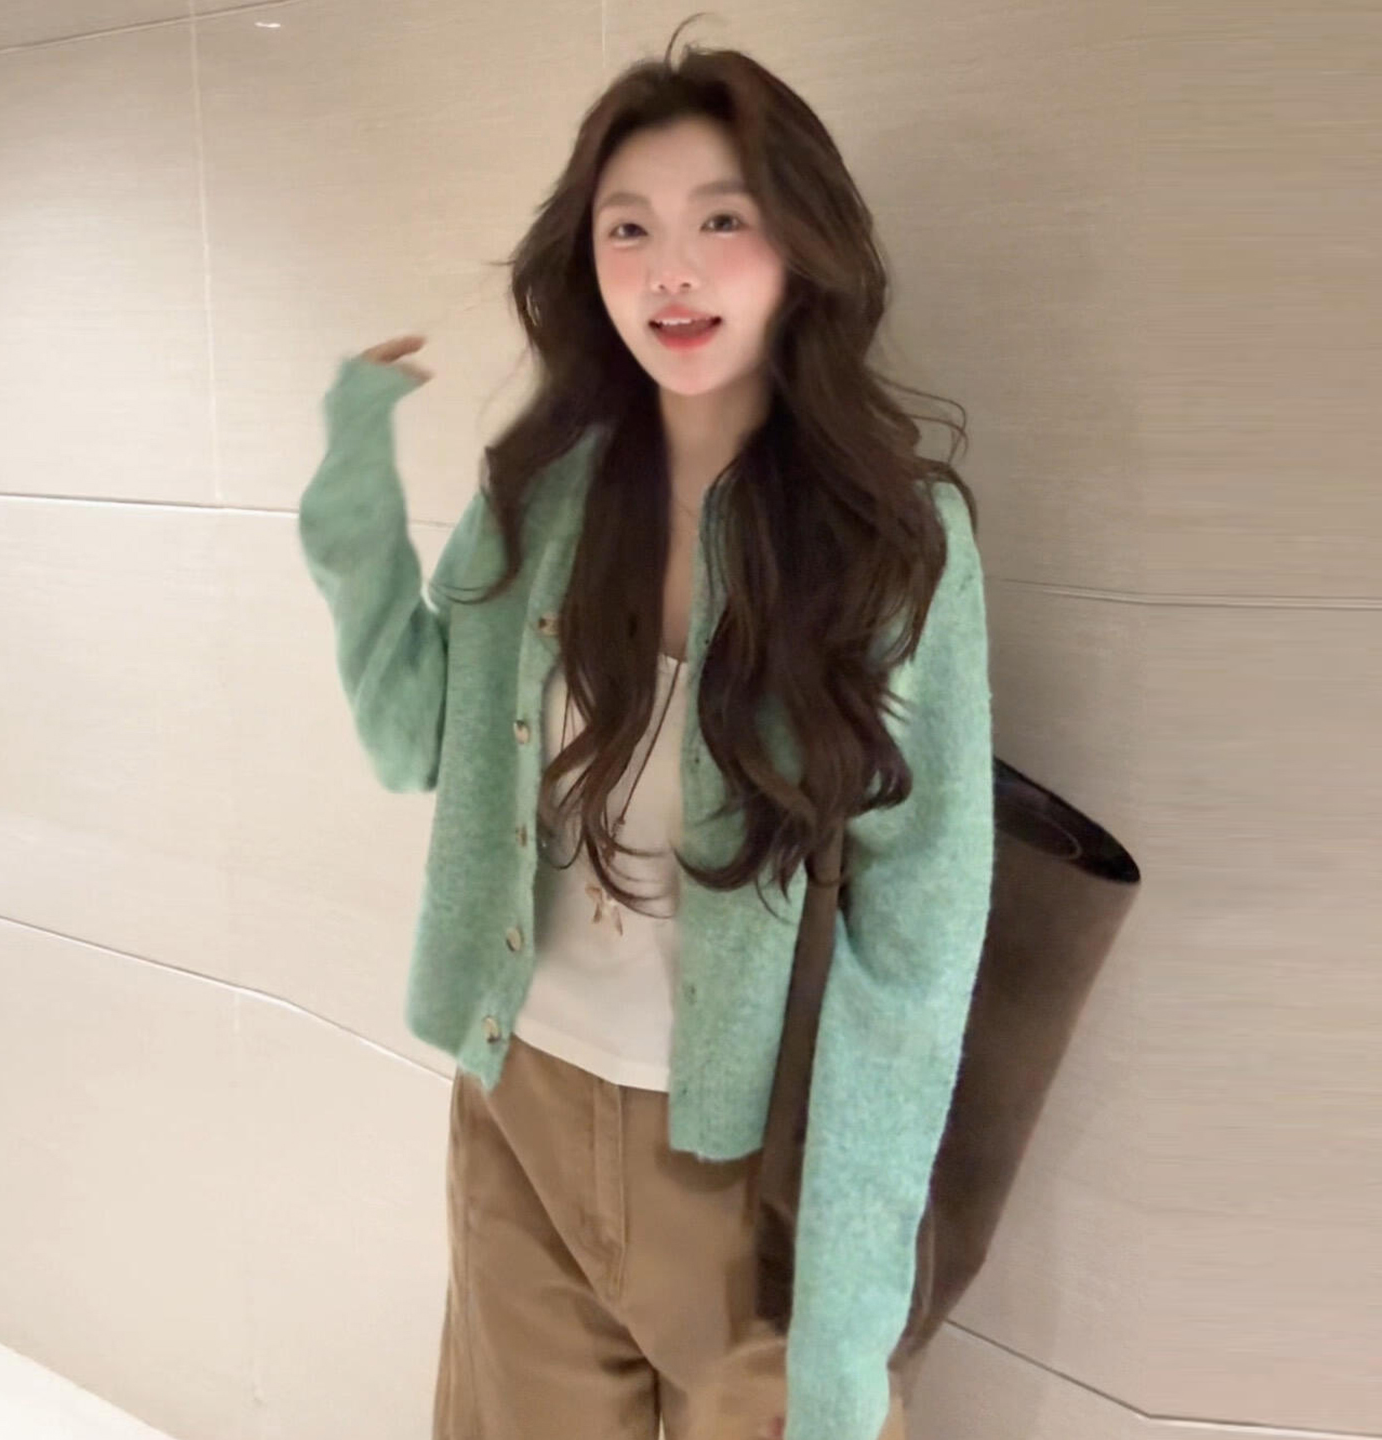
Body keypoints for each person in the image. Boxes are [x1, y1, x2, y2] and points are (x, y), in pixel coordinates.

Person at [297, 16, 994, 1440]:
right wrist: (352, 504)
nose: (671, 268)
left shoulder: (894, 545)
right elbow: (408, 738)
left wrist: (850, 1322)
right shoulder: (542, 489)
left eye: (721, 219)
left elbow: (917, 950)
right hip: (521, 1110)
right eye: (630, 228)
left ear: (802, 246)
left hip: (747, 1175)